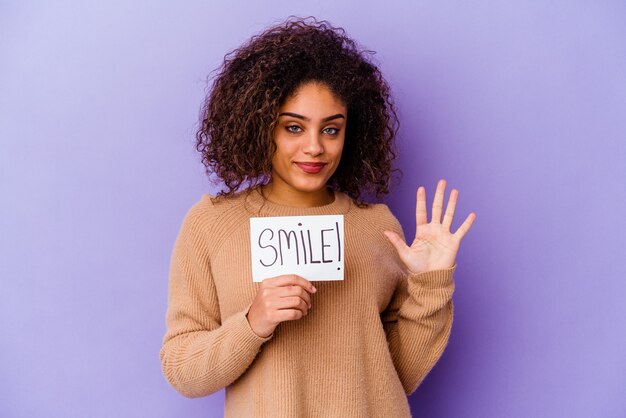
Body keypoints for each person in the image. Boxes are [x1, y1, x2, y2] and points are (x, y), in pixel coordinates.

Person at [159, 17, 476, 417]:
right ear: (261, 128)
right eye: (294, 127)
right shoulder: (211, 224)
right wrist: (252, 323)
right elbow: (183, 370)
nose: (314, 148)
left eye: (331, 130)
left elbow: (397, 376)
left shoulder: (378, 227)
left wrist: (430, 286)